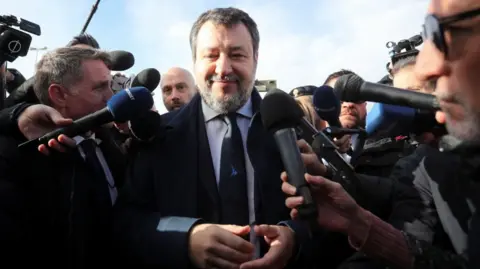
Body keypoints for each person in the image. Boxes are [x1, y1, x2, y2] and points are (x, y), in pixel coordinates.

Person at [281, 0, 480, 268]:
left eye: (448, 31)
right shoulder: (422, 164)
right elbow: (409, 235)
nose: (427, 66)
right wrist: (357, 221)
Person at [114, 7, 316, 269]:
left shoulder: (290, 128)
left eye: (237, 54)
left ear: (255, 58)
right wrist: (184, 239)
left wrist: (293, 238)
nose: (223, 68)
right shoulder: (158, 136)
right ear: (194, 62)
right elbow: (126, 222)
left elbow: (328, 218)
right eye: (211, 55)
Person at [0, 47, 128, 268]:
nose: (111, 97)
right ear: (59, 95)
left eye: (110, 85)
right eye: (99, 88)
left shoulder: (112, 143)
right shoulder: (16, 158)